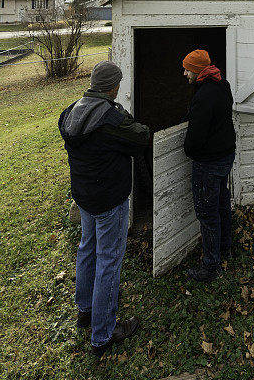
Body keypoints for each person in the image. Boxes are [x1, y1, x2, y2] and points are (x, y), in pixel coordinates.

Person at [58, 60, 150, 357]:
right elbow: (141, 136)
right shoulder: (110, 120)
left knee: (87, 249)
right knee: (109, 261)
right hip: (109, 200)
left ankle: (84, 310)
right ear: (113, 87)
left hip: (84, 195)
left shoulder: (71, 111)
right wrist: (122, 113)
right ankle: (103, 334)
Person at [182, 49, 236, 282]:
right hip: (226, 156)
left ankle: (210, 266)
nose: (184, 73)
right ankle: (226, 247)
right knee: (222, 202)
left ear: (197, 71)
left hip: (209, 162)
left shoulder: (203, 97)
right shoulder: (222, 85)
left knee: (207, 212)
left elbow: (195, 138)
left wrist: (189, 151)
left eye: (187, 69)